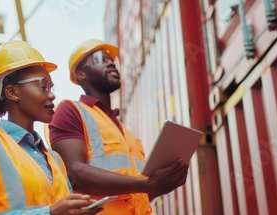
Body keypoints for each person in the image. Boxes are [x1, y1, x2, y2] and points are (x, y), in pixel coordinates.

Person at [0, 41, 102, 215]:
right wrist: (50, 213)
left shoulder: (55, 159)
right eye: (42, 86)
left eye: (51, 87)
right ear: (12, 92)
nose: (52, 95)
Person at [48, 39, 190, 214]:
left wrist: (162, 183)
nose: (111, 63)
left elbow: (139, 192)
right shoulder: (70, 110)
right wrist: (147, 184)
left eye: (112, 60)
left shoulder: (127, 133)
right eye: (101, 58)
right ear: (81, 74)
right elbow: (73, 172)